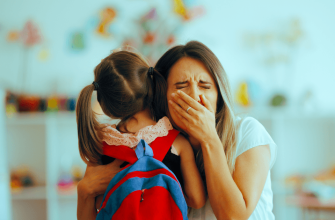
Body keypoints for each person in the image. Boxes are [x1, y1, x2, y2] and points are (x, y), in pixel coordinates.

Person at [77, 41, 277, 220]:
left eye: (205, 86)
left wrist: (209, 139)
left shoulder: (248, 132)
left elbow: (233, 217)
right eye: (181, 86)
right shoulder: (169, 143)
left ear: (220, 94)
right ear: (160, 94)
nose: (195, 96)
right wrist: (84, 191)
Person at [76, 50, 206, 220]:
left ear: (108, 105)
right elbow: (196, 200)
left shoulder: (101, 145)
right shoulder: (178, 143)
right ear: (149, 86)